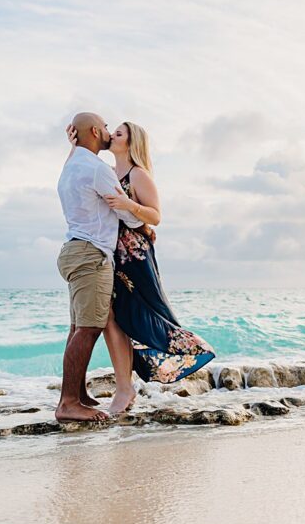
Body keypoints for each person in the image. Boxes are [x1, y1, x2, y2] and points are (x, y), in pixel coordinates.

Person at [66, 120, 216, 414]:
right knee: (111, 316)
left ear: (131, 142)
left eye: (118, 133)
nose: (111, 135)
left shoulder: (138, 174)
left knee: (138, 313)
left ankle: (128, 386)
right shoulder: (106, 172)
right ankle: (125, 387)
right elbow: (78, 177)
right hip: (110, 253)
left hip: (134, 256)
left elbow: (155, 215)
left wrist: (129, 205)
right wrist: (75, 148)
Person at [55, 112, 143, 422]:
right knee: (90, 327)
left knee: (79, 326)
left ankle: (77, 395)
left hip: (73, 251)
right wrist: (142, 221)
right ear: (95, 130)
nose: (108, 131)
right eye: (105, 127)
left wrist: (74, 143)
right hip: (91, 255)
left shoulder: (70, 166)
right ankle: (67, 403)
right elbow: (129, 216)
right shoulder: (96, 169)